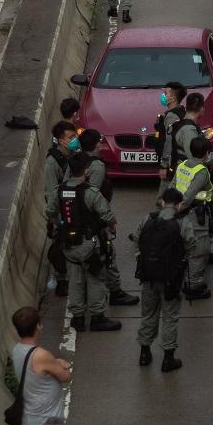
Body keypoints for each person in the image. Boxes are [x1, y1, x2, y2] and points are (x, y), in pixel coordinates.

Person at [48, 152, 122, 332]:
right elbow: (108, 215)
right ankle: (97, 318)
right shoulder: (91, 193)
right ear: (86, 171)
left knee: (75, 280)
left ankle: (78, 319)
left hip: (68, 244)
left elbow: (50, 211)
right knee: (95, 278)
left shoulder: (59, 190)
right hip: (90, 245)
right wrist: (112, 227)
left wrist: (61, 225)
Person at [132, 187, 192, 371]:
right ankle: (168, 358)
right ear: (179, 205)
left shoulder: (148, 219)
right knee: (169, 317)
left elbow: (136, 240)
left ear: (162, 202)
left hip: (148, 276)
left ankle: (144, 353)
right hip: (171, 280)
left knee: (148, 314)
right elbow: (193, 245)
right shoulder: (183, 223)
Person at [78, 129, 140, 307]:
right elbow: (93, 196)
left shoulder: (76, 162)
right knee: (107, 255)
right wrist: (108, 220)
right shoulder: (96, 166)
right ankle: (115, 292)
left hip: (80, 221)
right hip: (95, 222)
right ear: (97, 144)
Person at [170, 135, 213, 299]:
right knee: (198, 250)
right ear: (205, 153)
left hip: (180, 216)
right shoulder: (202, 172)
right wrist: (180, 207)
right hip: (195, 216)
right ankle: (194, 286)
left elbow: (172, 187)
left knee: (183, 248)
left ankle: (186, 280)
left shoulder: (183, 165)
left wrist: (170, 210)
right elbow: (189, 196)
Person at [10, 306, 71, 425]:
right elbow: (66, 377)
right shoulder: (41, 355)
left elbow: (37, 368)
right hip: (47, 419)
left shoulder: (16, 349)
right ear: (38, 325)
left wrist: (54, 362)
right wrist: (63, 365)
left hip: (30, 416)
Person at [45, 121, 78, 297]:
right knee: (60, 245)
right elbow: (52, 194)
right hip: (60, 211)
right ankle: (61, 280)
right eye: (71, 137)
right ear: (60, 140)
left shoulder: (72, 155)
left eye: (75, 136)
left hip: (73, 207)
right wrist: (57, 220)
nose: (75, 140)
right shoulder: (52, 163)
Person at [156, 81, 188, 189]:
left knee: (162, 199)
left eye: (166, 93)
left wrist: (164, 166)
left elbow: (168, 141)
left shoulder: (171, 117)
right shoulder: (181, 111)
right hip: (178, 162)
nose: (163, 96)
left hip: (172, 165)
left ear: (173, 98)